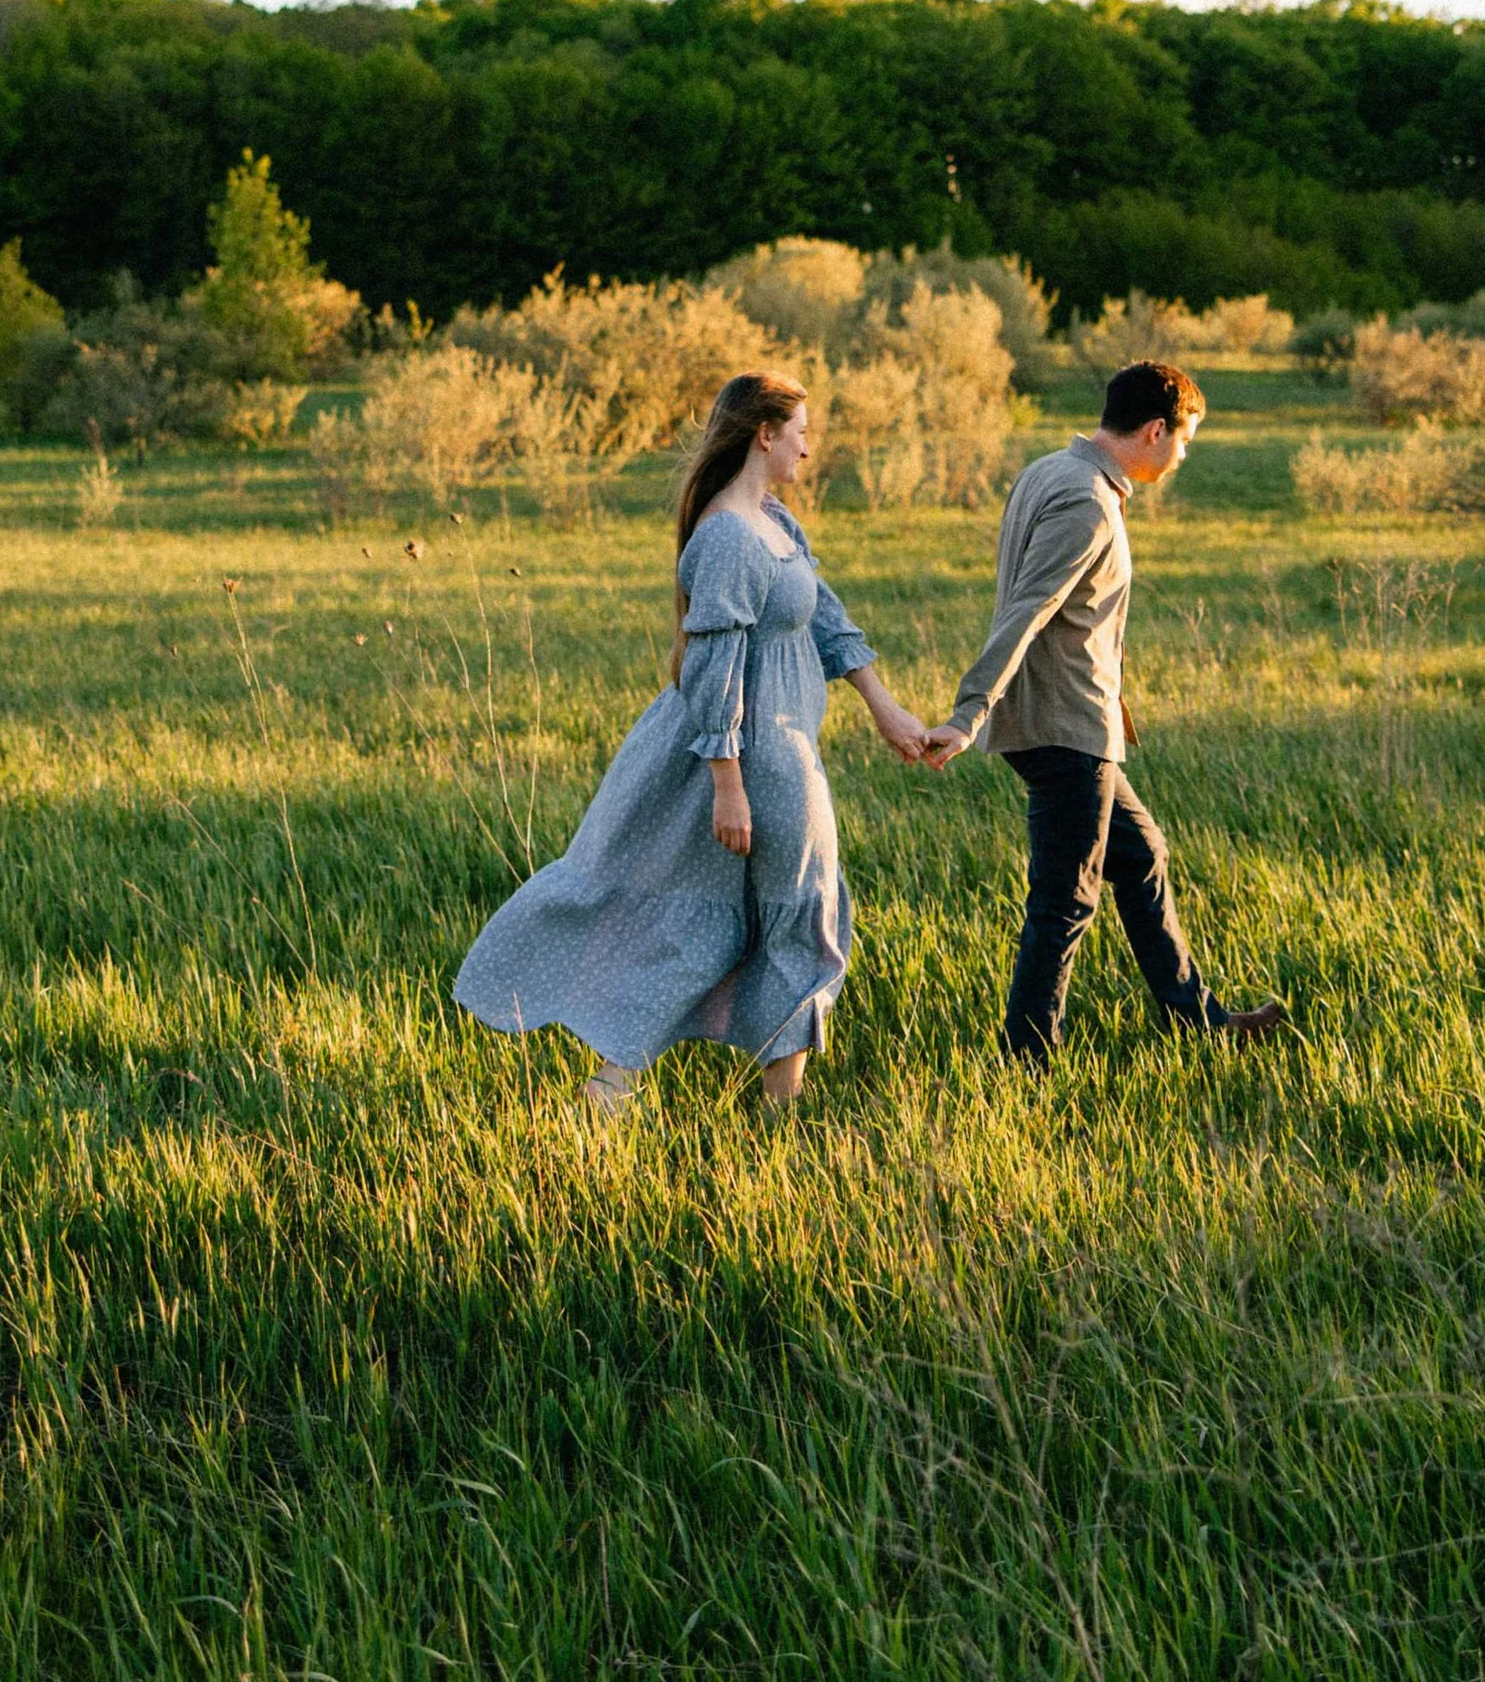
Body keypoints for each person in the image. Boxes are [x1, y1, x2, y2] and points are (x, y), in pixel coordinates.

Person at [452, 372, 932, 1121]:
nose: (810, 445)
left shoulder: (773, 521)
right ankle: (777, 1121)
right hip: (760, 755)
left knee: (719, 924)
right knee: (798, 916)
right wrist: (728, 782)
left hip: (772, 748)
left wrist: (885, 707)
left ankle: (613, 1091)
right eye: (801, 429)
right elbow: (712, 670)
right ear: (765, 434)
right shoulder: (728, 538)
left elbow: (824, 613)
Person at [923, 358, 1289, 1061]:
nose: (1183, 454)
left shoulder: (1049, 471)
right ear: (1155, 430)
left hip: (1074, 720)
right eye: (1184, 439)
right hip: (1062, 725)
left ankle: (1197, 1020)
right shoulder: (1087, 500)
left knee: (1141, 852)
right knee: (1066, 899)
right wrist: (969, 712)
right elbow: (1029, 608)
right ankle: (1027, 1060)